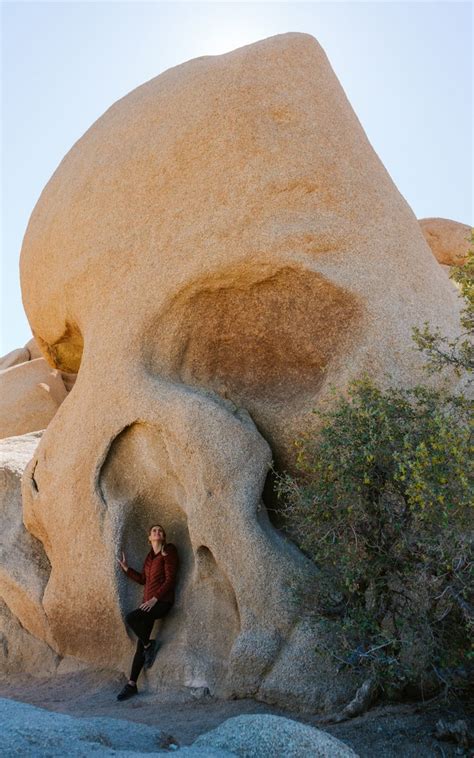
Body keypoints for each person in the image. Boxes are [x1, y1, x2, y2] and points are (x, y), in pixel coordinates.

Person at [116, 524, 179, 701]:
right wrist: (127, 569)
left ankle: (148, 645)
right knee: (140, 646)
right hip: (148, 605)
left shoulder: (169, 551)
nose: (157, 532)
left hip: (162, 603)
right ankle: (132, 684)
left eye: (160, 531)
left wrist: (155, 599)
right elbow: (143, 579)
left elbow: (170, 579)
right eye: (153, 531)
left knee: (130, 618)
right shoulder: (149, 559)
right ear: (149, 538)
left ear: (163, 536)